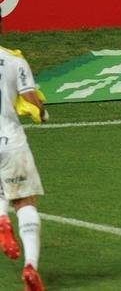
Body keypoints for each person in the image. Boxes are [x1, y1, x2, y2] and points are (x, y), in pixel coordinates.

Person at [0, 47, 47, 291]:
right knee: (24, 201)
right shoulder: (14, 60)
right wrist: (42, 111)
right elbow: (31, 98)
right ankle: (30, 266)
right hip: (11, 141)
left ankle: (1, 219)